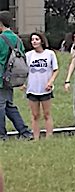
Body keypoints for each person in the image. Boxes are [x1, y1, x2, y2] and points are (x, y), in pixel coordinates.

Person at [0, 11, 32, 140]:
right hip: (12, 77)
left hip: (1, 77)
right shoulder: (18, 39)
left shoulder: (1, 39)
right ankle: (24, 132)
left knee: (1, 107)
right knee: (9, 106)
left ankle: (2, 135)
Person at [25, 33, 58, 140]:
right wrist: (22, 83)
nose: (34, 41)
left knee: (47, 114)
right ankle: (36, 137)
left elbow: (55, 70)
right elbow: (24, 71)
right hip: (32, 89)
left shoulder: (50, 54)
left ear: (42, 41)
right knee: (35, 115)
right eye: (32, 40)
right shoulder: (28, 55)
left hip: (45, 89)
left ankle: (49, 136)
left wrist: (50, 82)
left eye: (37, 39)